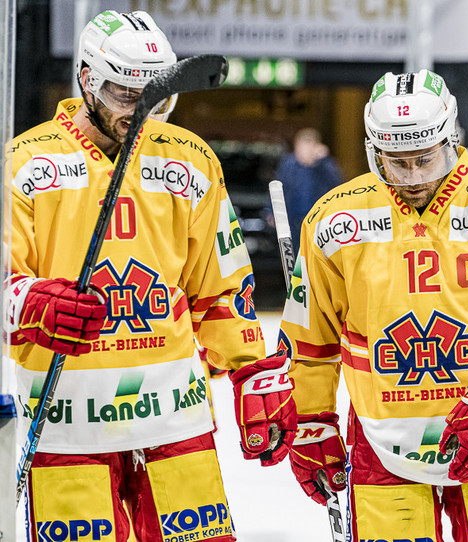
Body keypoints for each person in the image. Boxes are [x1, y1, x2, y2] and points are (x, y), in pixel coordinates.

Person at [7, 10, 296, 541]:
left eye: (155, 98)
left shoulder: (190, 162)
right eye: (124, 95)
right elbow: (6, 282)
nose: (140, 112)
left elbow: (222, 287)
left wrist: (253, 374)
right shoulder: (25, 163)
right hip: (67, 425)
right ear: (88, 79)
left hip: (176, 419)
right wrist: (29, 300)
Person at [277, 70, 468, 541]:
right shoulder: (334, 219)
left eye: (425, 159)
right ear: (374, 151)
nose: (414, 177)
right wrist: (312, 421)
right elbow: (309, 339)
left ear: (449, 139)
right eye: (398, 163)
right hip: (379, 443)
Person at [274, 127, 343, 253]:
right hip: (292, 217)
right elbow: (278, 187)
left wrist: (321, 161)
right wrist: (271, 211)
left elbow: (337, 185)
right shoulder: (288, 164)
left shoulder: (325, 164)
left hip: (318, 218)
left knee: (315, 252)